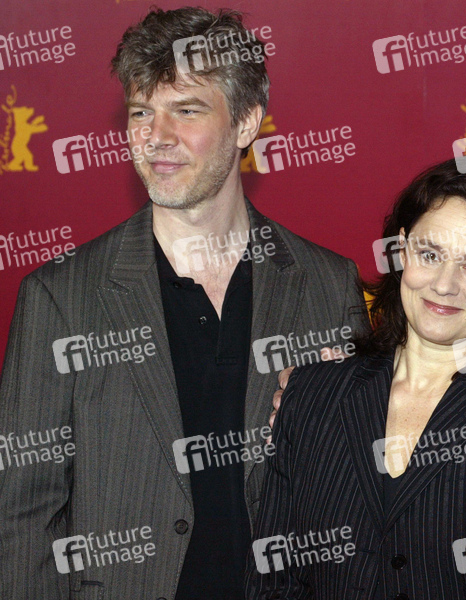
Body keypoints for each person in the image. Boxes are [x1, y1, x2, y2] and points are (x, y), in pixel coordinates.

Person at [0, 8, 368, 600]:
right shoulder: (60, 296)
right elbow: (20, 518)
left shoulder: (328, 285)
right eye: (141, 112)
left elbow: (358, 498)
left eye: (187, 110)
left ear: (246, 122)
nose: (156, 136)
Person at [246, 158, 466, 599]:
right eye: (430, 255)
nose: (444, 285)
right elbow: (273, 581)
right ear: (401, 251)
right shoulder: (311, 392)